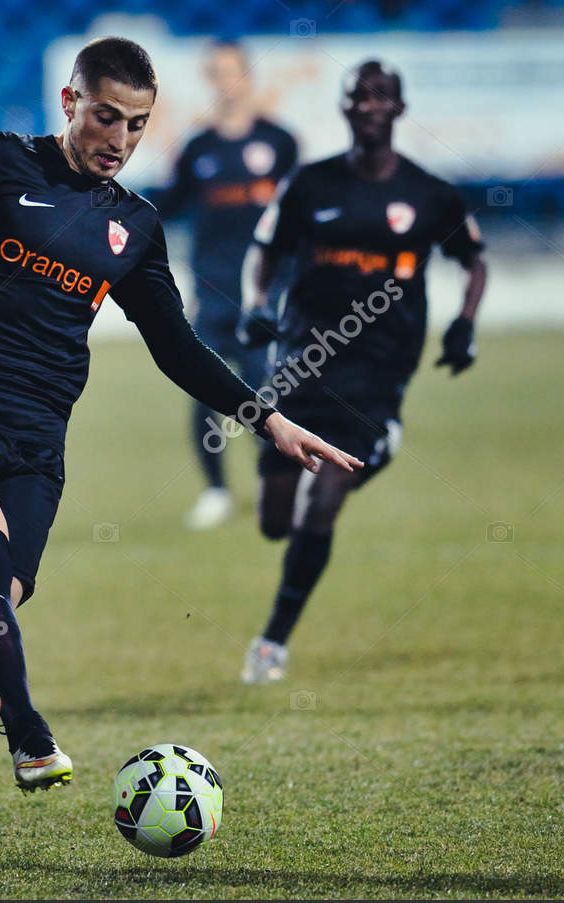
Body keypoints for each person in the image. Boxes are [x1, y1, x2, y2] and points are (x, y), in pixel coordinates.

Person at [0, 36, 360, 831]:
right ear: (71, 102)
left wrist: (268, 417)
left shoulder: (134, 226)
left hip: (39, 438)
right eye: (106, 116)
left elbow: (175, 344)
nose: (119, 138)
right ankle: (30, 731)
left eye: (137, 125)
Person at [234, 60, 486, 684]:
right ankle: (348, 473)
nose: (370, 106)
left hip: (375, 376)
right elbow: (263, 252)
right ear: (345, 109)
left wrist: (465, 323)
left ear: (400, 108)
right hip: (298, 366)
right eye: (358, 97)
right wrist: (256, 305)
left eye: (382, 97)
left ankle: (272, 644)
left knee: (321, 507)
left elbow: (474, 259)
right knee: (273, 523)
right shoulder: (310, 185)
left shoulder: (431, 194)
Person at [150, 40, 297, 530]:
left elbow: (300, 217)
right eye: (218, 74)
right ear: (210, 81)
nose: (227, 82)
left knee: (264, 388)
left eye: (234, 72)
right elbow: (166, 210)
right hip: (211, 292)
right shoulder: (199, 149)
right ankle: (216, 491)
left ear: (248, 78)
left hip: (265, 293)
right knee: (206, 392)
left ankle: (274, 481)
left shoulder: (280, 142)